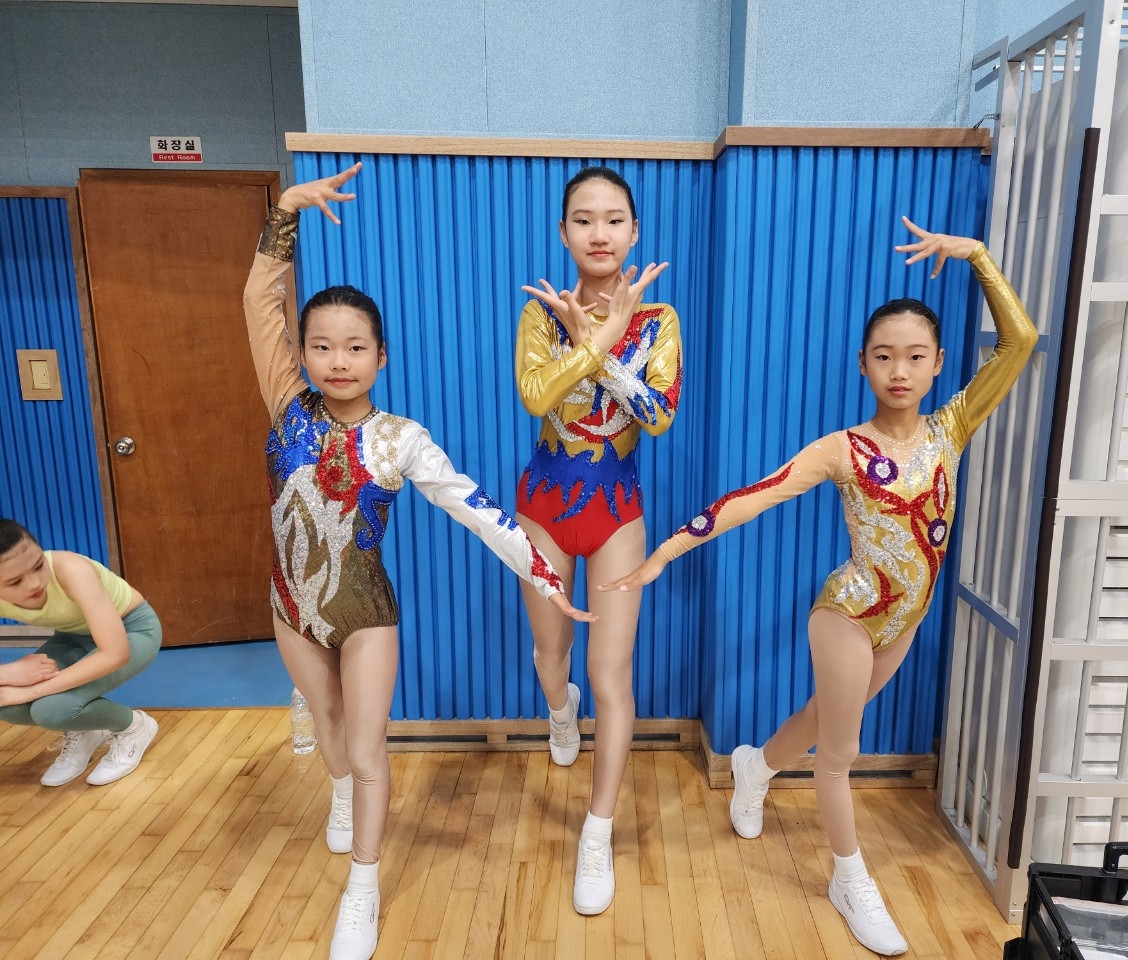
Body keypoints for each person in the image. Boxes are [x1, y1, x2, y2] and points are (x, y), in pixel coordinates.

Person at [601, 217, 1037, 955]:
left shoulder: (952, 429)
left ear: (938, 365)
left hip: (906, 619)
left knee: (821, 718)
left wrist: (978, 257)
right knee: (840, 753)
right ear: (863, 365)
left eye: (916, 357)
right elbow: (754, 496)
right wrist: (664, 554)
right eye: (884, 356)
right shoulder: (843, 449)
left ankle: (755, 766)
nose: (900, 371)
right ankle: (848, 878)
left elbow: (1018, 342)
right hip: (849, 613)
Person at [244, 162, 590, 960]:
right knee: (330, 728)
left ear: (381, 357)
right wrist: (285, 214)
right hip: (290, 609)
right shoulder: (287, 407)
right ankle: (338, 788)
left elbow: (475, 508)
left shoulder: (400, 439)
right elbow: (259, 304)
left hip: (366, 615)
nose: (337, 361)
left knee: (368, 749)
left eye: (354, 347)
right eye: (321, 346)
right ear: (302, 354)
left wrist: (542, 575)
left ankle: (362, 889)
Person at [514, 165, 680, 915]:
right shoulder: (540, 314)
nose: (600, 233)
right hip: (545, 507)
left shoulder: (661, 319)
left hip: (617, 510)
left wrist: (607, 343)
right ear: (564, 233)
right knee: (552, 660)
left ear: (634, 232)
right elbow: (536, 397)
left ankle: (597, 830)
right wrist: (594, 336)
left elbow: (657, 417)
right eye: (584, 219)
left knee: (611, 677)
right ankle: (559, 709)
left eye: (614, 219)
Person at [0, 519, 160, 787]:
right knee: (5, 701)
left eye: (38, 565)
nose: (35, 583)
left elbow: (115, 653)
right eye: (15, 581)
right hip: (73, 639)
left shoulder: (72, 570)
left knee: (52, 710)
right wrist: (10, 672)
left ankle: (134, 727)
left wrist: (31, 690)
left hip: (131, 630)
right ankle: (86, 730)